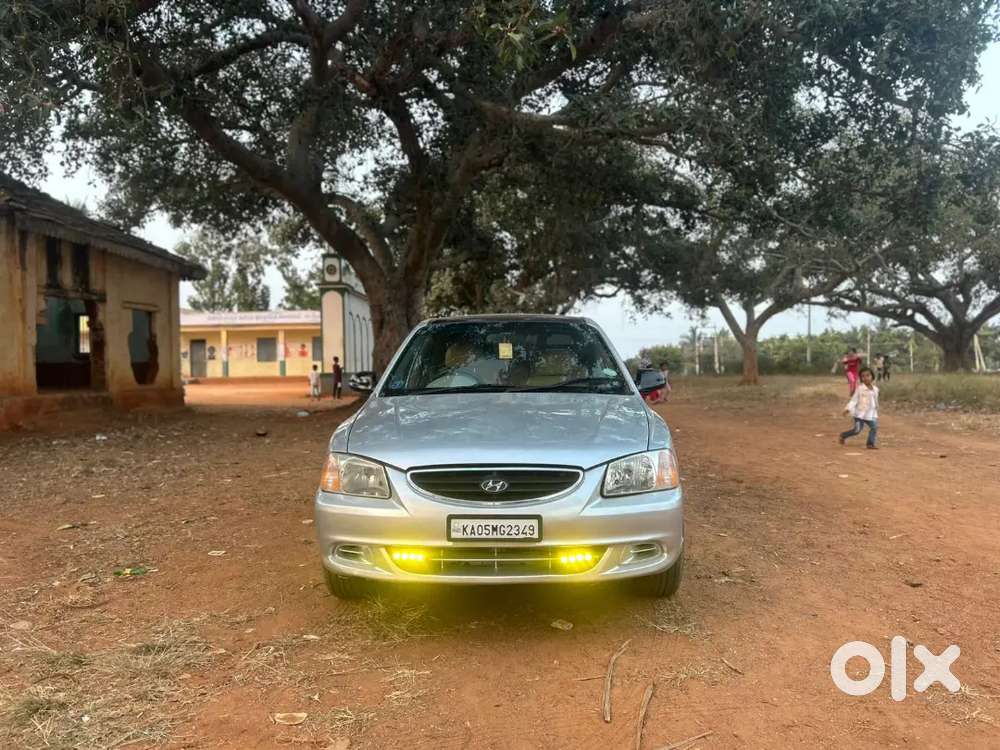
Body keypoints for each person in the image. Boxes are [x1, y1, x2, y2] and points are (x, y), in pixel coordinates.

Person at [839, 367, 879, 449]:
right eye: (863, 376)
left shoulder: (876, 389)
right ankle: (843, 435)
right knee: (857, 431)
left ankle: (870, 443)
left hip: (870, 414)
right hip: (859, 414)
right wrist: (848, 409)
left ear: (872, 376)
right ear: (861, 378)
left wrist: (876, 408)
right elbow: (854, 400)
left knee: (874, 428)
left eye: (868, 375)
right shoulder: (860, 389)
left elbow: (875, 400)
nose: (866, 378)